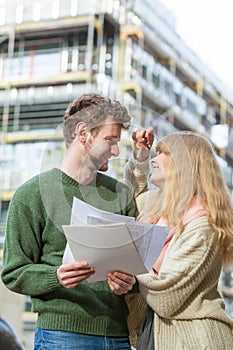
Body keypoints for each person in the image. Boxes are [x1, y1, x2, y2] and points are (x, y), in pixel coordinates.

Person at [1, 93, 138, 350]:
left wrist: (130, 283)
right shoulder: (31, 195)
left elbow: (138, 266)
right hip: (62, 336)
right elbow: (13, 272)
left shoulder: (121, 196)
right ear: (83, 133)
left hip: (118, 337)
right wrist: (56, 276)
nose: (117, 150)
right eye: (110, 140)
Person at [109, 129, 233, 349]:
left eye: (161, 154)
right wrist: (140, 156)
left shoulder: (202, 225)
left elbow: (166, 297)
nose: (154, 159)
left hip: (194, 339)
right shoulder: (161, 211)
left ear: (183, 164)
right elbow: (134, 200)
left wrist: (129, 258)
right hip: (155, 331)